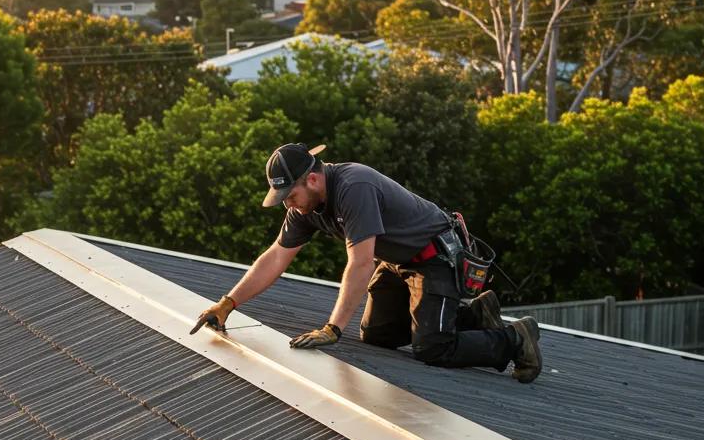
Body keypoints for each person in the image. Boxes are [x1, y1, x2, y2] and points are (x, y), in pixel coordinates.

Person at [191, 142, 542, 383]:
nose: (289, 205)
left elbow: (359, 264)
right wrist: (228, 303)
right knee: (376, 334)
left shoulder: (353, 186)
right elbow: (275, 257)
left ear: (312, 179)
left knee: (433, 348)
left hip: (433, 258)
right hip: (396, 261)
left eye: (291, 196)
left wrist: (332, 328)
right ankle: (474, 316)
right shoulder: (306, 207)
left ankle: (514, 338)